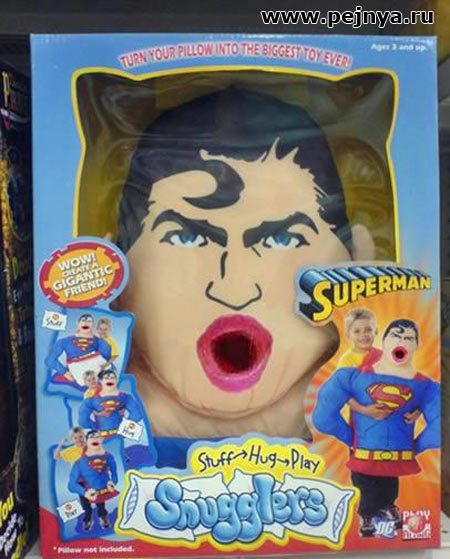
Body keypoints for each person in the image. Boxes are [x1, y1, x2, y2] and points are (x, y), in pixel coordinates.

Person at [116, 87, 376, 467]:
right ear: (115, 269)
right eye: (186, 237)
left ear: (357, 261)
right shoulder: (102, 416)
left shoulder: (372, 405)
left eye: (282, 239)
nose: (233, 290)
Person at [313, 318, 440, 537]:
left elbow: (324, 417)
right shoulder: (352, 373)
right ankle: (368, 515)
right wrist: (354, 434)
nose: (402, 341)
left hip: (382, 457)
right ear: (385, 340)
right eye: (396, 335)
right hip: (368, 457)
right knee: (368, 488)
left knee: (389, 486)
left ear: (416, 345)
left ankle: (386, 507)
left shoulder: (426, 387)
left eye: (408, 338)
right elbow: (324, 416)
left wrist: (414, 441)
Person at [68, 430, 118, 532]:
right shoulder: (80, 462)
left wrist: (112, 482)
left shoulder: (109, 457)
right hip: (84, 486)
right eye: (91, 437)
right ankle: (87, 519)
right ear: (86, 441)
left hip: (100, 487)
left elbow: (115, 473)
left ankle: (103, 517)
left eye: (97, 436)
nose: (95, 438)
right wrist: (84, 492)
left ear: (102, 439)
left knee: (101, 505)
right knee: (86, 506)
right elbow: (71, 485)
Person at [45, 314, 111, 387]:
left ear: (93, 325)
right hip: (77, 373)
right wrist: (65, 372)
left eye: (89, 321)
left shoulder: (100, 342)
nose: (86, 323)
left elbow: (106, 359)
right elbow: (50, 360)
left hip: (96, 374)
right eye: (83, 320)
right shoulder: (64, 341)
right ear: (77, 323)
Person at [78, 369, 142, 437]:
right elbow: (88, 412)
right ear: (85, 383)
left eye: (93, 379)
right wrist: (100, 414)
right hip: (101, 418)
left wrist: (122, 408)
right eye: (89, 380)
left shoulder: (104, 387)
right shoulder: (88, 395)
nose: (92, 381)